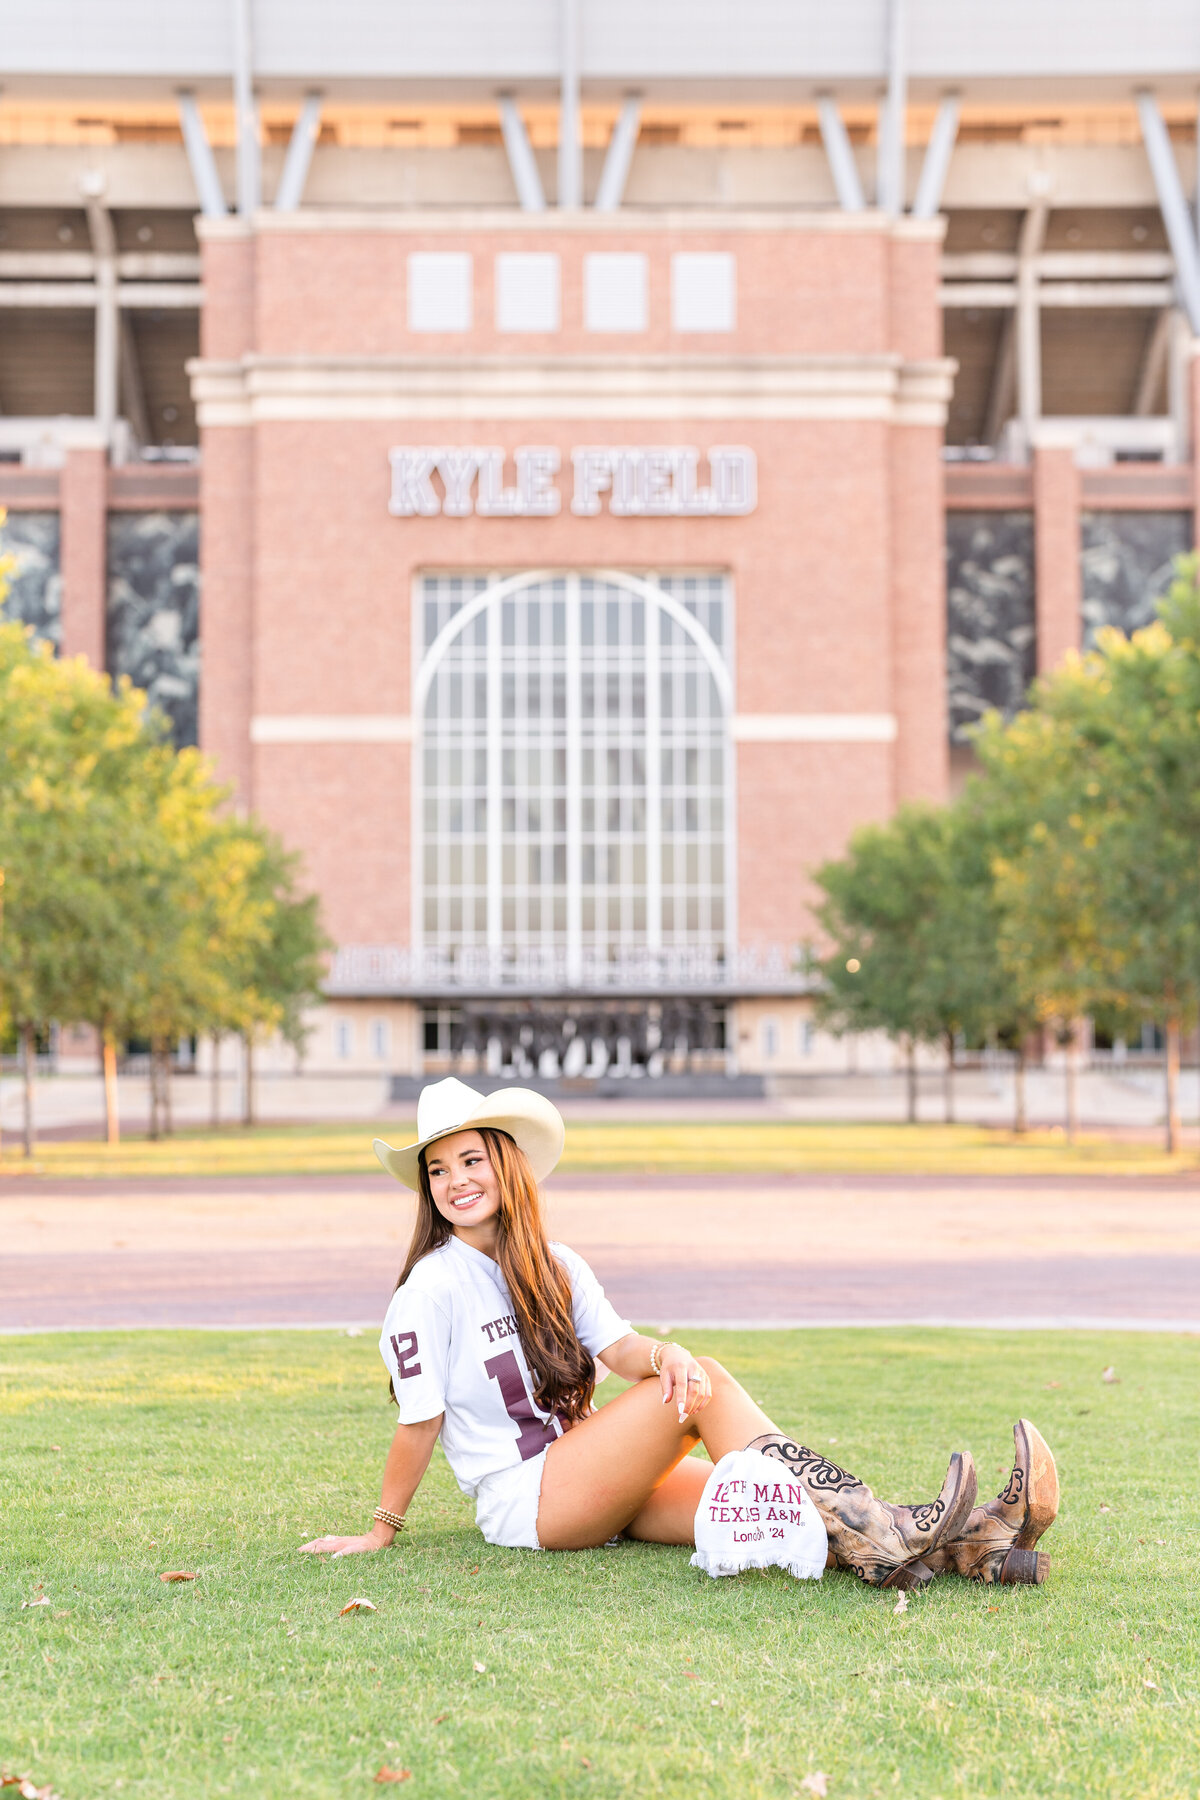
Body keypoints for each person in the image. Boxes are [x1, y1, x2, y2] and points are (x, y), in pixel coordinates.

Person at [300, 1080, 1059, 1588]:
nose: (455, 1180)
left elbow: (623, 1350)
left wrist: (664, 1355)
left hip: (595, 1477)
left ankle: (977, 1545)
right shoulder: (428, 1288)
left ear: (506, 1167)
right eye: (437, 1169)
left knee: (768, 1502)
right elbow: (419, 1420)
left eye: (470, 1159)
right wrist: (380, 1532)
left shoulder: (553, 1263)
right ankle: (891, 1536)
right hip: (529, 1500)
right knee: (710, 1385)